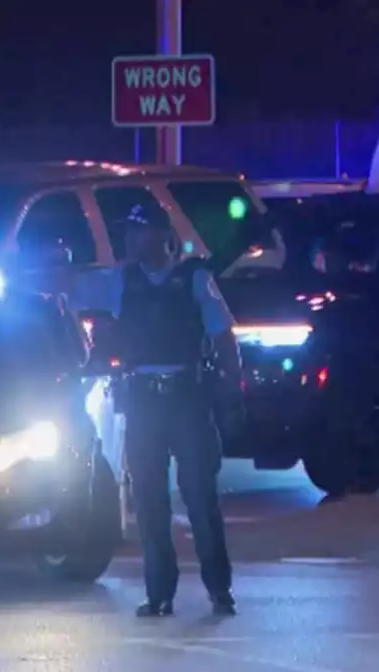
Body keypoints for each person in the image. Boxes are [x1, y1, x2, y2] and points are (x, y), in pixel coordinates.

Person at [69, 211, 242, 617]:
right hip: (143, 401)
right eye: (128, 230)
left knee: (200, 497)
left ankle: (219, 589)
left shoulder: (195, 279)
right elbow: (70, 291)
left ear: (164, 235)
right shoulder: (119, 281)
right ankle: (159, 593)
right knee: (148, 501)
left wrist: (233, 392)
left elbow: (223, 335)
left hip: (188, 399)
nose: (131, 239)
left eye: (140, 230)